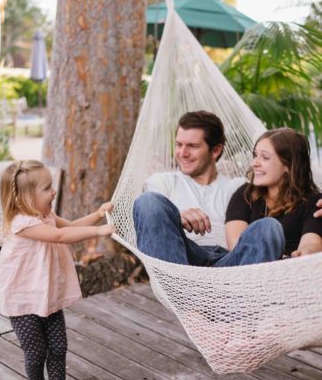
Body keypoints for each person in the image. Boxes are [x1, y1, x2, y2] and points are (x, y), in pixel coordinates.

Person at [133, 111, 322, 266]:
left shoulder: (237, 187)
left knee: (269, 227)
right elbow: (149, 219)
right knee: (148, 202)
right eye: (179, 145)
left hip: (230, 265)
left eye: (192, 146)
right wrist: (178, 216)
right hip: (185, 257)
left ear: (216, 150)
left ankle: (206, 303)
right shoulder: (162, 182)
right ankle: (183, 298)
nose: (182, 153)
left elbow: (244, 248)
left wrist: (301, 256)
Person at [0, 160, 115, 380]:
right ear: (23, 198)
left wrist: (97, 215)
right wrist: (99, 232)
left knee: (59, 346)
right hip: (23, 301)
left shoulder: (46, 215)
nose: (54, 192)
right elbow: (60, 237)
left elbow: (70, 227)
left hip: (47, 295)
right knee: (36, 350)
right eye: (47, 188)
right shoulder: (22, 224)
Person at [225, 127, 322, 258]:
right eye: (255, 155)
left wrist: (302, 254)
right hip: (238, 267)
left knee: (270, 226)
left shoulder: (314, 202)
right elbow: (237, 248)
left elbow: (311, 245)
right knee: (198, 249)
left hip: (283, 269)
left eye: (264, 157)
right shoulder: (245, 194)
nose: (254, 163)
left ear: (288, 165)